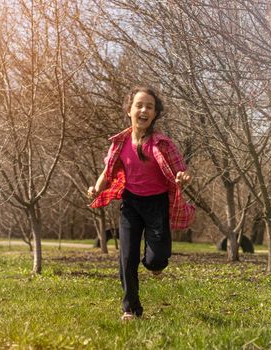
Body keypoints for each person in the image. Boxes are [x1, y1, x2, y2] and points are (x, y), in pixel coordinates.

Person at [87, 86, 195, 321]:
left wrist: (183, 178)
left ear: (155, 114)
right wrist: (96, 188)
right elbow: (107, 172)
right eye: (139, 105)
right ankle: (131, 309)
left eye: (149, 106)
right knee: (127, 257)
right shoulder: (119, 143)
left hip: (157, 204)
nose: (144, 110)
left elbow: (182, 171)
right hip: (131, 204)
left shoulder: (163, 144)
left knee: (157, 259)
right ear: (129, 110)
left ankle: (155, 264)